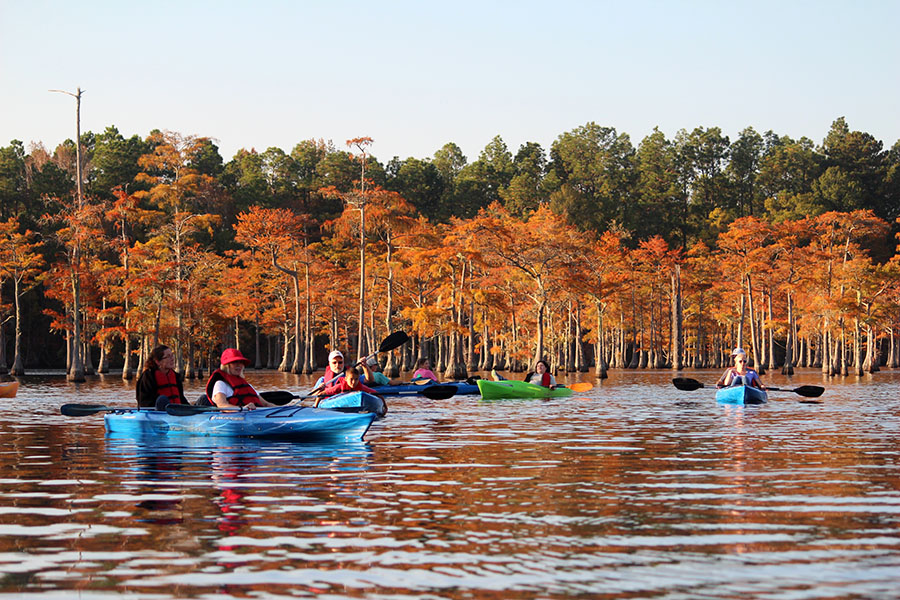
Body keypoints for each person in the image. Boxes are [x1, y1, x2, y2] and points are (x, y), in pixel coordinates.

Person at [204, 348, 275, 410]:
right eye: (234, 362)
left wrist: (284, 408)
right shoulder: (220, 384)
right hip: (234, 417)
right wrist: (243, 409)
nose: (239, 365)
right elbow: (222, 405)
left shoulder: (248, 385)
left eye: (241, 362)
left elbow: (266, 404)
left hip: (254, 416)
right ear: (226, 366)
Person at [316, 366, 382, 403]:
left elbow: (377, 394)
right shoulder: (339, 386)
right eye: (351, 379)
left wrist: (384, 407)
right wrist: (315, 407)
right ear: (345, 379)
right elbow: (321, 394)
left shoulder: (361, 387)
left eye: (356, 379)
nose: (353, 382)